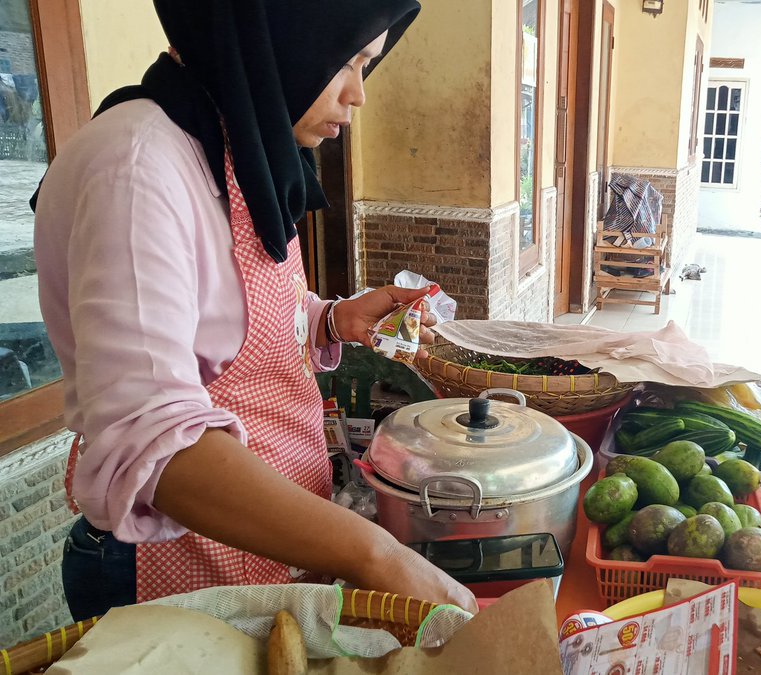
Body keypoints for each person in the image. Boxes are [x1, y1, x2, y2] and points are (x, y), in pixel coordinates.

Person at [33, 0, 476, 620]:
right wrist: (377, 556)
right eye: (345, 61)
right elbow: (151, 440)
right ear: (280, 37)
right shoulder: (137, 167)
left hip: (261, 549)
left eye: (366, 66)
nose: (359, 95)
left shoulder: (241, 147)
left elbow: (229, 319)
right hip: (182, 560)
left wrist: (331, 318)